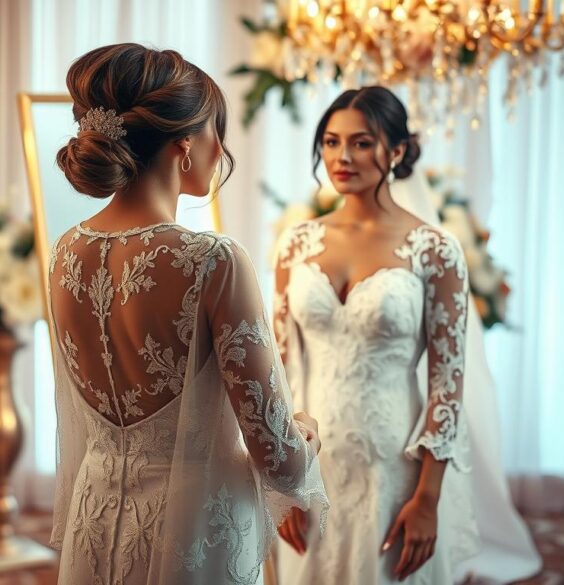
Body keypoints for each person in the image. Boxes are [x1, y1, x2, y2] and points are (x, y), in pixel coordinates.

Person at [47, 43, 329, 585]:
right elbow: (282, 461)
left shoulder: (65, 251)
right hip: (195, 534)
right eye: (213, 130)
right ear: (183, 145)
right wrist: (307, 429)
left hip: (96, 515)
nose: (220, 147)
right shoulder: (212, 260)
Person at [274, 86, 479, 584]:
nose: (343, 157)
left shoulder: (435, 249)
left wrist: (427, 498)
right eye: (330, 141)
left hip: (393, 467)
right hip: (311, 464)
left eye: (362, 143)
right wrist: (279, 480)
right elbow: (276, 369)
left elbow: (447, 383)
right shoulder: (296, 243)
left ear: (398, 150)